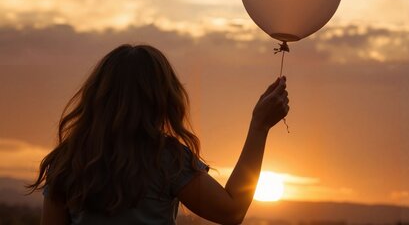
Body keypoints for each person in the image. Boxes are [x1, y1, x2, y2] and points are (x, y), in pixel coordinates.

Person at [28, 44, 289, 224]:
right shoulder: (165, 159)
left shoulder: (67, 160)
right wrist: (259, 127)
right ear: (163, 99)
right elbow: (231, 212)